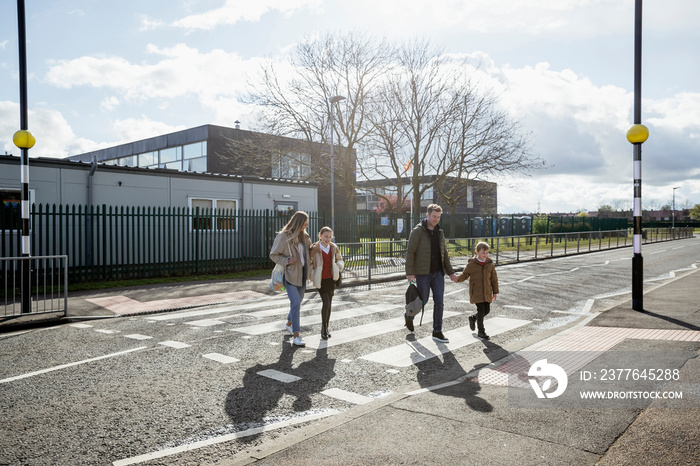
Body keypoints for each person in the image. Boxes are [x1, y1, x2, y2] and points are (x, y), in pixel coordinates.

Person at [405, 204, 458, 343]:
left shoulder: (440, 233)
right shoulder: (417, 232)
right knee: (423, 301)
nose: (436, 219)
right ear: (427, 215)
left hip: (438, 273)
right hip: (423, 273)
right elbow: (410, 253)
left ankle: (437, 331)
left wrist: (451, 272)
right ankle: (409, 315)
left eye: (438, 217)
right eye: (434, 216)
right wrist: (410, 272)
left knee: (439, 302)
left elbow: (444, 254)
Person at [270, 211, 312, 347]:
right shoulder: (284, 236)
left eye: (306, 225)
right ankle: (296, 335)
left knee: (297, 304)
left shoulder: (305, 237)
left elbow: (309, 254)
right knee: (295, 303)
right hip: (290, 275)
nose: (305, 227)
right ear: (298, 223)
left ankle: (289, 324)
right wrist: (287, 260)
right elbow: (273, 254)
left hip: (302, 275)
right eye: (304, 224)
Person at [457, 241, 499, 340]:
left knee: (487, 310)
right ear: (477, 252)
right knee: (481, 310)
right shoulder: (472, 264)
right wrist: (457, 278)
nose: (485, 255)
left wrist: (495, 291)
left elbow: (494, 279)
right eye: (483, 253)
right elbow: (464, 275)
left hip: (487, 292)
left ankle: (473, 318)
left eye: (487, 253)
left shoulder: (490, 264)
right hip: (476, 292)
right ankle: (481, 331)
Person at [310, 226, 345, 340]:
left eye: (330, 237)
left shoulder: (334, 247)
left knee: (329, 303)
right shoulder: (314, 248)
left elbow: (340, 259)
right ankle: (323, 328)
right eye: (326, 236)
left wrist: (338, 266)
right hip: (321, 279)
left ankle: (326, 328)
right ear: (320, 236)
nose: (328, 239)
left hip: (331, 279)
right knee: (326, 303)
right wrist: (312, 274)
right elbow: (309, 262)